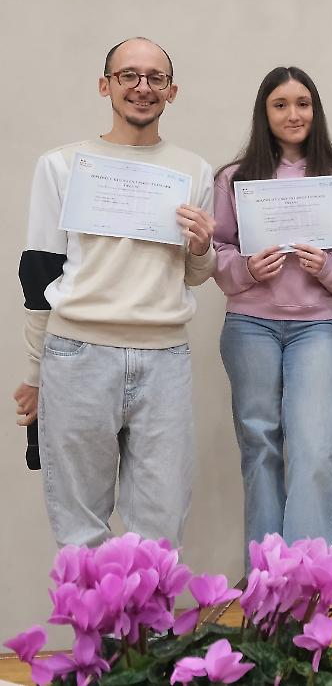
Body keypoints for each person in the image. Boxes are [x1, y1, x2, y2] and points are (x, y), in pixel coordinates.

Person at [13, 37, 216, 547]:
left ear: (172, 92)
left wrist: (201, 246)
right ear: (105, 85)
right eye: (128, 75)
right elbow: (39, 273)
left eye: (155, 78)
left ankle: (152, 632)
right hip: (77, 356)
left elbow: (195, 273)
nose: (141, 87)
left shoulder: (193, 170)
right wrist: (36, 375)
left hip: (164, 356)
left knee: (161, 528)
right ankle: (100, 632)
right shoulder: (61, 165)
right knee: (81, 531)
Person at [213, 66, 332, 558]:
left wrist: (326, 267)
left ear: (315, 111)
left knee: (315, 448)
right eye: (280, 104)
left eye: (302, 103)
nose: (293, 113)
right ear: (265, 113)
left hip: (312, 330)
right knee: (260, 447)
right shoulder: (234, 179)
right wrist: (245, 267)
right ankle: (265, 571)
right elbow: (213, 256)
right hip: (249, 326)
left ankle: (310, 573)